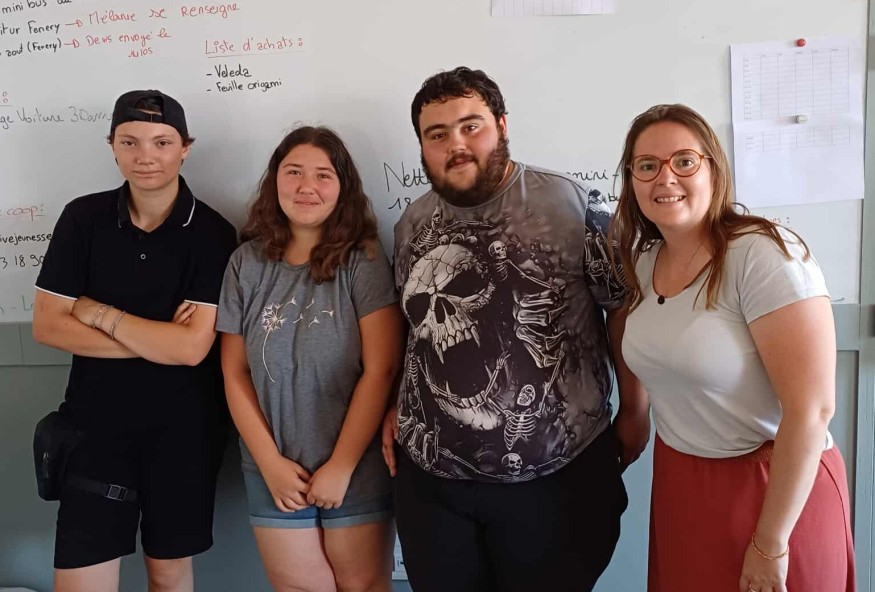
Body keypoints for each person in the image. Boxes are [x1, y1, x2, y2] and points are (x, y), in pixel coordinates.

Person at [381, 66, 648, 592]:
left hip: (558, 479)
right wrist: (397, 405)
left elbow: (622, 309)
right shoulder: (411, 223)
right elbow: (412, 331)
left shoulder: (572, 206)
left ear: (502, 126)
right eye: (437, 134)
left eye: (470, 126)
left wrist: (636, 408)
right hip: (434, 485)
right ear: (422, 146)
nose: (456, 145)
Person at [609, 103, 856, 592]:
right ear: (632, 179)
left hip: (776, 491)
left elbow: (812, 410)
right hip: (682, 483)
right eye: (647, 165)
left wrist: (771, 544)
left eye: (684, 161)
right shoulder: (644, 262)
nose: (666, 178)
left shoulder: (765, 254)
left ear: (714, 170)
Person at [32, 90, 238, 592]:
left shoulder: (213, 232)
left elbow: (191, 350)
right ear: (112, 146)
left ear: (185, 148)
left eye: (161, 142)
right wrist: (159, 340)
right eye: (130, 141)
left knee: (168, 575)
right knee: (81, 579)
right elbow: (48, 326)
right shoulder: (82, 219)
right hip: (93, 429)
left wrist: (97, 314)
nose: (146, 156)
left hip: (183, 434)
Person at [217, 126, 403, 592]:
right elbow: (234, 371)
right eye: (294, 172)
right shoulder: (244, 264)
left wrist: (341, 466)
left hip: (355, 463)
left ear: (342, 188)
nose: (306, 186)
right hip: (272, 468)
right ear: (274, 180)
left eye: (323, 175)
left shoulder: (363, 259)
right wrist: (269, 464)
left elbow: (381, 369)